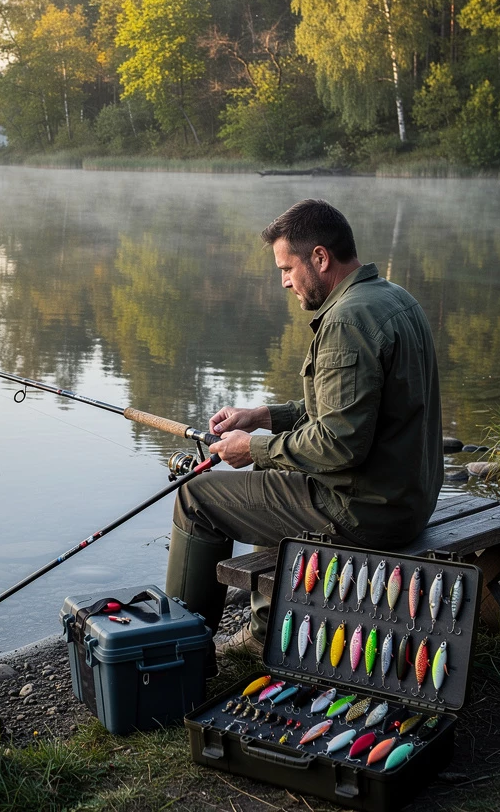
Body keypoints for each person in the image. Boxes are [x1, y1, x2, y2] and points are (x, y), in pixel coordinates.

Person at [165, 199, 442, 652]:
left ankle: (180, 650)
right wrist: (261, 418)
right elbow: (349, 406)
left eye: (287, 268)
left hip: (366, 514)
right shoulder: (392, 298)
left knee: (196, 496)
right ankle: (262, 629)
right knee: (274, 471)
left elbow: (337, 444)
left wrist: (252, 448)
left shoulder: (347, 321)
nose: (284, 282)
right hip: (408, 500)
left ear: (319, 257)